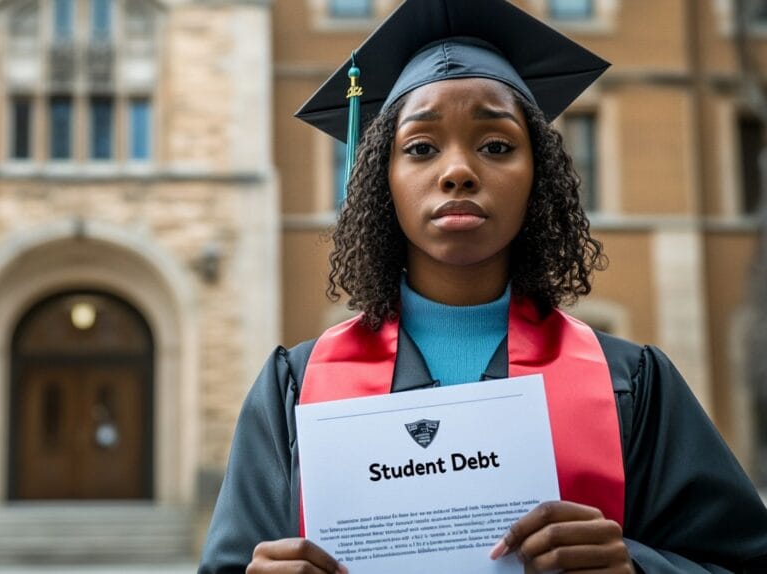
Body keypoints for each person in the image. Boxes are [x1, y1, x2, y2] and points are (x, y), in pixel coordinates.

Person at [198, 0, 767, 572]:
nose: (458, 171)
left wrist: (636, 567)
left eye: (496, 145)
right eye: (420, 147)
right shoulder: (295, 390)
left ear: (538, 174)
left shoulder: (631, 384)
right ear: (380, 179)